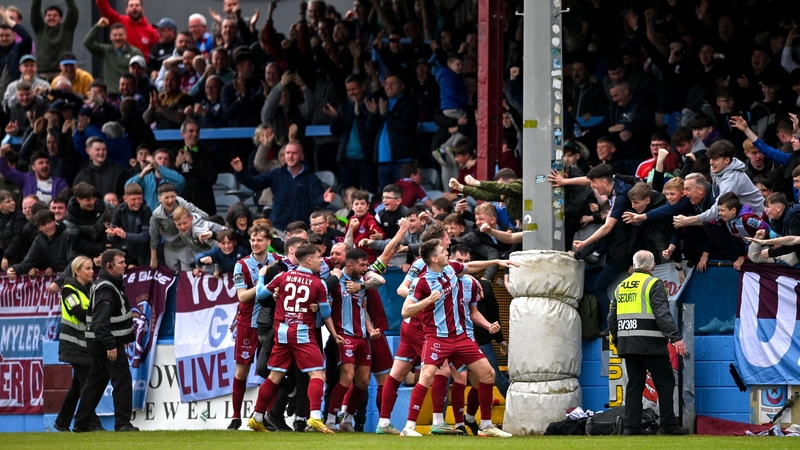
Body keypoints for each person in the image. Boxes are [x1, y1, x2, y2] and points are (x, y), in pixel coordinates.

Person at [398, 239, 512, 438]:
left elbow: (471, 266)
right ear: (434, 258)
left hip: (460, 337)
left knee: (487, 373)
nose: (447, 253)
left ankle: (485, 425)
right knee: (426, 376)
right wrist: (428, 300)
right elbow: (405, 310)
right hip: (437, 338)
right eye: (443, 251)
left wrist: (496, 263)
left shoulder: (451, 270)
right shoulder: (422, 282)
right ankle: (408, 428)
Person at [247, 243, 344, 434]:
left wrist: (260, 276)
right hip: (302, 333)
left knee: (275, 376)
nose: (320, 262)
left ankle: (257, 417)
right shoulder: (318, 283)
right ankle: (315, 417)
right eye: (317, 258)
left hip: (282, 333)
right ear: (308, 260)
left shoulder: (282, 276)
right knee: (318, 375)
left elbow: (259, 294)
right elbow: (326, 312)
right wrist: (317, 306)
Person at [608, 250, 689, 436]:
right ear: (653, 266)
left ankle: (631, 427)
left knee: (635, 385)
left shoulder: (621, 286)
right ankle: (668, 425)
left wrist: (616, 340)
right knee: (665, 383)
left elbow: (611, 318)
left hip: (628, 344)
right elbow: (662, 313)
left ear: (634, 264)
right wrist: (675, 338)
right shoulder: (654, 283)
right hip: (651, 343)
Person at [73, 249, 138, 432]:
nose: (125, 265)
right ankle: (123, 423)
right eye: (121, 263)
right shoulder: (107, 288)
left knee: (95, 383)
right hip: (106, 343)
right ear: (109, 266)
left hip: (99, 342)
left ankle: (81, 423)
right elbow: (100, 322)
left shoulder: (107, 284)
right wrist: (110, 344)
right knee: (122, 380)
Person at [325, 248, 386, 432]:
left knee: (363, 381)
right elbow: (326, 309)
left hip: (362, 337)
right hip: (344, 335)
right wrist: (334, 334)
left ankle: (348, 418)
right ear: (349, 265)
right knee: (347, 376)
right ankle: (329, 419)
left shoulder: (362, 283)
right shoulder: (335, 282)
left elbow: (363, 309)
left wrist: (370, 329)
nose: (365, 268)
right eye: (362, 265)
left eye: (366, 264)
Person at [227, 219, 279, 430]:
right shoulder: (242, 265)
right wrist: (264, 285)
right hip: (249, 323)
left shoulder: (278, 260)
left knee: (271, 370)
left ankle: (269, 416)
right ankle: (236, 416)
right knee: (242, 370)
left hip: (271, 322)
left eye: (259, 240)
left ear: (268, 241)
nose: (255, 243)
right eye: (252, 239)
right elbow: (242, 297)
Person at [231, 141, 334, 231]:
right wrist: (240, 172)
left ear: (301, 156)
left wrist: (324, 199)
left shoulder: (311, 178)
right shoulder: (276, 174)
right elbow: (254, 183)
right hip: (277, 227)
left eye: (294, 153)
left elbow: (319, 198)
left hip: (301, 229)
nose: (290, 156)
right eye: (287, 153)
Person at [54, 256, 103, 432]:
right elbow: (78, 313)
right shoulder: (69, 290)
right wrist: (100, 315)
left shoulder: (91, 289)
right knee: (88, 386)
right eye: (88, 269)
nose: (92, 271)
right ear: (77, 271)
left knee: (78, 387)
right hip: (73, 345)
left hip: (85, 345)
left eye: (92, 268)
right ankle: (92, 423)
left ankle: (62, 421)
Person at [367, 75, 420, 193]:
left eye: (393, 83)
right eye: (386, 83)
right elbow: (370, 130)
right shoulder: (383, 102)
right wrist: (373, 114)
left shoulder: (409, 103)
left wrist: (386, 114)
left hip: (402, 160)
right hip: (382, 161)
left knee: (404, 197)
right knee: (386, 199)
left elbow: (405, 127)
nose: (388, 86)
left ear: (402, 86)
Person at [7, 209, 70, 295]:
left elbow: (74, 262)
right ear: (39, 228)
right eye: (44, 224)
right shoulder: (39, 240)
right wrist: (13, 270)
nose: (48, 226)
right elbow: (28, 262)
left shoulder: (67, 235)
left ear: (55, 221)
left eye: (50, 222)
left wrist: (59, 282)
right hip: (57, 286)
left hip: (71, 282)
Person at [83, 19, 144, 96]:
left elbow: (142, 72)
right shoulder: (105, 51)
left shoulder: (135, 52)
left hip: (129, 94)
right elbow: (87, 43)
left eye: (120, 35)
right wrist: (98, 26)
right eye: (115, 35)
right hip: (111, 94)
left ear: (125, 36)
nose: (117, 38)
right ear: (110, 37)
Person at [171, 119, 216, 214]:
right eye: (191, 131)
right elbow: (168, 181)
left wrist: (192, 163)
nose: (195, 134)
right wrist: (176, 166)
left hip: (204, 206)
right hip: (181, 206)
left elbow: (211, 178)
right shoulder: (175, 154)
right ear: (183, 134)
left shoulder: (208, 154)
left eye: (197, 131)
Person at [0, 146, 68, 202]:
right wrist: (2, 155)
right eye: (41, 163)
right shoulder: (25, 179)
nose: (45, 165)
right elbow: (6, 171)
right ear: (33, 167)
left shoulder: (60, 183)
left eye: (47, 162)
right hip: (31, 217)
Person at [108, 183, 152, 266]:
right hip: (127, 251)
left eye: (139, 198)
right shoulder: (119, 211)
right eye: (133, 199)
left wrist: (125, 235)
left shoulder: (146, 210)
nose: (137, 202)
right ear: (125, 199)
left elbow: (147, 236)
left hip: (145, 252)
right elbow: (111, 234)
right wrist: (112, 234)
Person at [30, 0, 79, 76]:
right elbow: (35, 9)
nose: (51, 18)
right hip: (43, 75)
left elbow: (73, 11)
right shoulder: (39, 28)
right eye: (49, 15)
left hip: (63, 74)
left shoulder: (67, 29)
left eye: (55, 15)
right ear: (45, 18)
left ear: (61, 18)